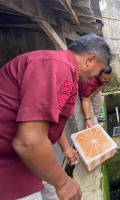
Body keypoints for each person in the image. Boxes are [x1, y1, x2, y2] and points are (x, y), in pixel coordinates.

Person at [0, 33, 112, 200]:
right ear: (90, 59)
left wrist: (66, 148)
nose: (95, 77)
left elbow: (49, 121)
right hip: (9, 169)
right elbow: (28, 141)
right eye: (98, 71)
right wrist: (64, 182)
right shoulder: (57, 67)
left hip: (26, 161)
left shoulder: (66, 72)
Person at [80, 65, 113, 129]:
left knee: (98, 104)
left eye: (109, 78)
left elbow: (103, 84)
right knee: (89, 107)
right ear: (98, 75)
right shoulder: (88, 82)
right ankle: (94, 124)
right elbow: (85, 100)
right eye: (105, 78)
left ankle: (97, 118)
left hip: (96, 88)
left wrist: (91, 96)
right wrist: (88, 119)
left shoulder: (109, 74)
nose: (107, 80)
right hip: (86, 93)